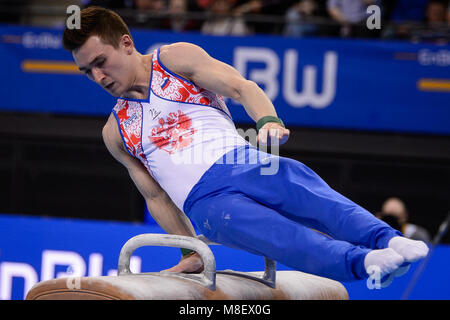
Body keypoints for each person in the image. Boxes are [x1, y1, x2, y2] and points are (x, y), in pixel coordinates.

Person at [62, 6, 429, 282]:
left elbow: (242, 88)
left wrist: (267, 120)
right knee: (282, 237)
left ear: (126, 44)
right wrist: (190, 249)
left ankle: (385, 240)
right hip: (207, 205)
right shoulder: (115, 131)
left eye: (100, 62)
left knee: (302, 187)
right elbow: (156, 196)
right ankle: (362, 264)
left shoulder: (174, 59)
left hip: (244, 161)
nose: (98, 76)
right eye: (86, 71)